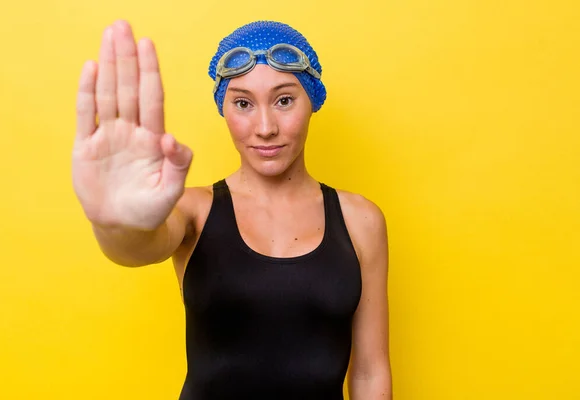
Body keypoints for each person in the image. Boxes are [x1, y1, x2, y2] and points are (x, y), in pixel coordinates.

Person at [73, 19, 392, 400]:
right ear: (224, 108)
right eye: (243, 103)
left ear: (313, 101)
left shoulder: (361, 220)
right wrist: (113, 222)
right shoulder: (193, 210)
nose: (265, 127)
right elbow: (135, 247)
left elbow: (370, 374)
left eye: (284, 100)